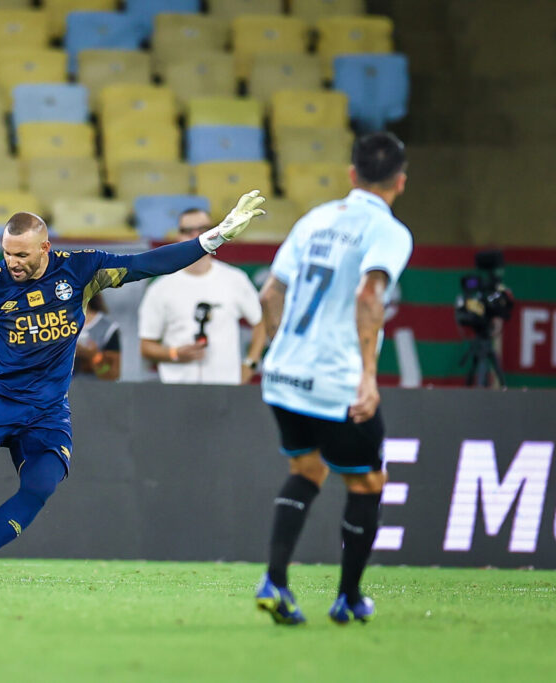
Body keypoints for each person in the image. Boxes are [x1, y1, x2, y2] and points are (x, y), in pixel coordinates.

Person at [0, 191, 266, 585]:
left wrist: (214, 238)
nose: (12, 263)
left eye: (20, 255)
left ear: (44, 247)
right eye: (6, 253)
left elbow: (146, 264)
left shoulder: (80, 271)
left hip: (48, 409)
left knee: (41, 485)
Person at [254, 132, 413, 625]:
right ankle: (348, 597)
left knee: (307, 470)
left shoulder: (314, 219)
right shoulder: (389, 231)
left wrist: (281, 350)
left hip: (284, 372)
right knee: (366, 482)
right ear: (400, 182)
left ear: (351, 175)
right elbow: (370, 295)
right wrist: (368, 377)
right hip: (335, 377)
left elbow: (269, 295)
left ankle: (275, 581)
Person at [138, 208, 266, 385]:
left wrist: (249, 365)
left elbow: (260, 323)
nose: (196, 235)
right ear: (178, 237)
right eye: (187, 231)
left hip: (225, 390)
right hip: (177, 390)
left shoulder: (235, 279)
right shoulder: (160, 288)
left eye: (203, 229)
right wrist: (175, 353)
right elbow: (146, 346)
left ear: (215, 232)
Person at [73, 293, 120, 380]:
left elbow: (112, 375)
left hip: (95, 390)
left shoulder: (107, 329)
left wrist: (95, 356)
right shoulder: (51, 326)